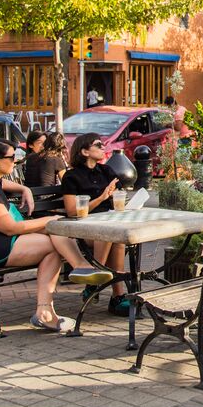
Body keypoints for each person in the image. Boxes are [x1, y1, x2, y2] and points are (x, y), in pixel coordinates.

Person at [0, 138, 112, 332]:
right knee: (51, 239)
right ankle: (76, 273)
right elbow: (9, 228)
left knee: (52, 240)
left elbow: (5, 185)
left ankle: (51, 305)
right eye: (12, 157)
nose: (16, 161)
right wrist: (48, 221)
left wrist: (24, 188)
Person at [61, 133, 129, 316]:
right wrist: (101, 198)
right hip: (83, 228)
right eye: (98, 145)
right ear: (84, 151)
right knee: (107, 233)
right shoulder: (71, 177)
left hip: (109, 223)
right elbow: (72, 212)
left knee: (115, 237)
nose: (103, 147)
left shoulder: (106, 171)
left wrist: (119, 198)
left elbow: (119, 196)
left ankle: (99, 286)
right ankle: (114, 294)